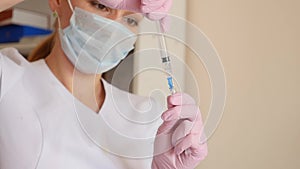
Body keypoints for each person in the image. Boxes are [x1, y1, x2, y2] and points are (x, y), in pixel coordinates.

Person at [0, 0, 208, 168]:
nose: (113, 28)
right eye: (100, 6)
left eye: (131, 20)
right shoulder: (8, 81)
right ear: (57, 2)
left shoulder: (150, 119)